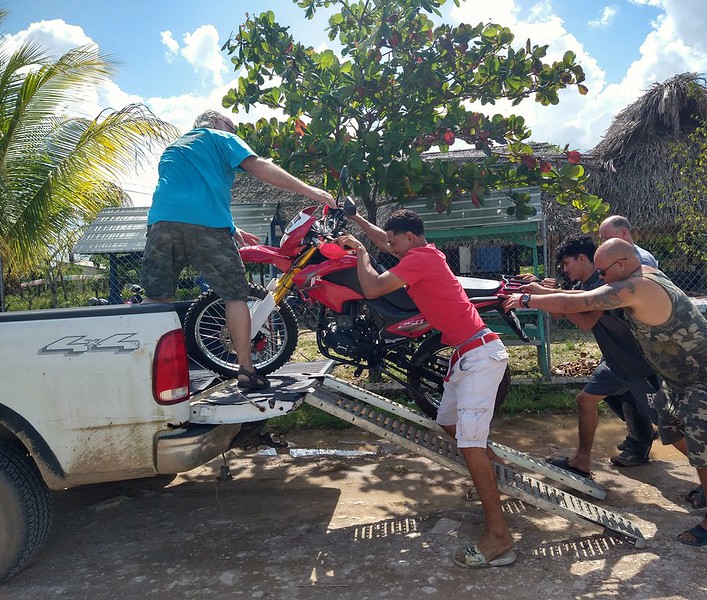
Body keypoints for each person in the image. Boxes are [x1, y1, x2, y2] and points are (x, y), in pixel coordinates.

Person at [504, 238, 707, 547]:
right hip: (682, 376)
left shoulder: (637, 286)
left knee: (702, 447)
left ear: (621, 264)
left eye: (602, 272)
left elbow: (577, 305)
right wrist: (541, 290)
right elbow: (581, 297)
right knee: (675, 430)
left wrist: (526, 301)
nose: (599, 277)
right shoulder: (634, 276)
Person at [337, 209, 515, 568]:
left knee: (470, 445)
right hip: (464, 355)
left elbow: (371, 287)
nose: (389, 245)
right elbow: (381, 238)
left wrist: (358, 253)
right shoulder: (421, 253)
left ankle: (499, 537)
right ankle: (504, 480)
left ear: (411, 237)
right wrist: (357, 221)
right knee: (447, 423)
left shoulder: (418, 259)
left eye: (394, 240)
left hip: (481, 356)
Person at [140, 110, 334, 390]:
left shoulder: (175, 147)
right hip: (207, 227)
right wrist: (310, 191)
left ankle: (144, 373)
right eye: (233, 127)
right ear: (218, 123)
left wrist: (233, 229)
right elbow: (259, 167)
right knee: (235, 296)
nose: (235, 132)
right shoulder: (219, 136)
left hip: (161, 223)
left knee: (155, 299)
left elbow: (191, 194)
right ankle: (245, 369)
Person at [520, 234, 658, 475]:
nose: (564, 269)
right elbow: (561, 312)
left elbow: (585, 321)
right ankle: (582, 460)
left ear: (582, 258)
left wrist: (544, 295)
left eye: (566, 263)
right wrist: (550, 293)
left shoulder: (602, 283)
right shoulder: (582, 285)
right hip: (615, 361)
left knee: (671, 426)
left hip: (638, 361)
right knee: (586, 400)